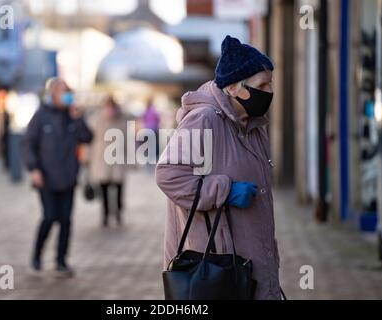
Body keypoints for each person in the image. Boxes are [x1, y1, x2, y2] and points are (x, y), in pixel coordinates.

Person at [155, 36, 281, 299]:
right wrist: (225, 190)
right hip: (215, 270)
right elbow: (169, 174)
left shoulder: (254, 127)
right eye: (262, 84)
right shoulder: (205, 119)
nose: (269, 91)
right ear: (234, 88)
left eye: (271, 83)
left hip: (252, 266)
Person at [24, 78, 93, 276]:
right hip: (45, 177)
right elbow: (29, 143)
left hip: (68, 177)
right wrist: (34, 169)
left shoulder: (72, 117)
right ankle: (37, 254)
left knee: (66, 220)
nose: (67, 94)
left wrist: (78, 117)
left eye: (69, 91)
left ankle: (61, 260)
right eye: (64, 91)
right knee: (49, 217)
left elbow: (88, 137)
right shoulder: (41, 116)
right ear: (53, 93)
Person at [88, 96, 127, 228]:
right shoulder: (95, 121)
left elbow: (127, 141)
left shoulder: (121, 121)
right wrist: (87, 159)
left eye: (111, 106)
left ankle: (118, 213)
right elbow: (90, 142)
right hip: (101, 160)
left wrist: (131, 161)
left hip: (117, 160)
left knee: (119, 188)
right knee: (103, 189)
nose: (109, 109)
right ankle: (105, 215)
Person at [141, 99, 160, 167]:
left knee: (147, 145)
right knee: (153, 145)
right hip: (154, 130)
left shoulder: (145, 111)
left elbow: (143, 119)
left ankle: (148, 159)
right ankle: (152, 159)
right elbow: (158, 119)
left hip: (146, 130)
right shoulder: (154, 110)